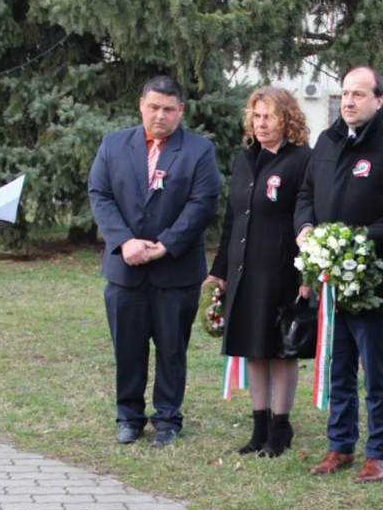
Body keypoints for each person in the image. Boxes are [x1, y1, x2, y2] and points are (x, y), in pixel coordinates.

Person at [294, 65, 383, 483]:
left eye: (358, 94)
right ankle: (340, 446)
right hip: (330, 284)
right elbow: (306, 193)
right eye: (345, 93)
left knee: (377, 373)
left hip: (373, 283)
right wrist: (305, 227)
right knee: (338, 368)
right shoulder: (327, 140)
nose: (349, 102)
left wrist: (363, 240)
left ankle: (379, 452)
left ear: (379, 100)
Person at [88, 76, 220, 448]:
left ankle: (167, 419)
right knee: (127, 349)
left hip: (175, 271)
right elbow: (99, 193)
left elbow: (203, 203)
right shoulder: (113, 145)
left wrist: (167, 244)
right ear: (141, 105)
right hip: (125, 270)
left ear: (181, 110)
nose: (160, 115)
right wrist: (124, 240)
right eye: (153, 107)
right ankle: (129, 417)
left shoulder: (199, 150)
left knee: (172, 350)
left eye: (168, 109)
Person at [205, 86, 312, 458]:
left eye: (269, 116)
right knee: (253, 347)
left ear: (287, 119)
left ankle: (281, 427)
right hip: (243, 270)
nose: (261, 123)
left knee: (280, 349)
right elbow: (233, 219)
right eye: (257, 116)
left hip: (280, 270)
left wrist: (306, 276)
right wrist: (219, 271)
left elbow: (308, 216)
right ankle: (260, 426)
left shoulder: (302, 160)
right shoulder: (245, 159)